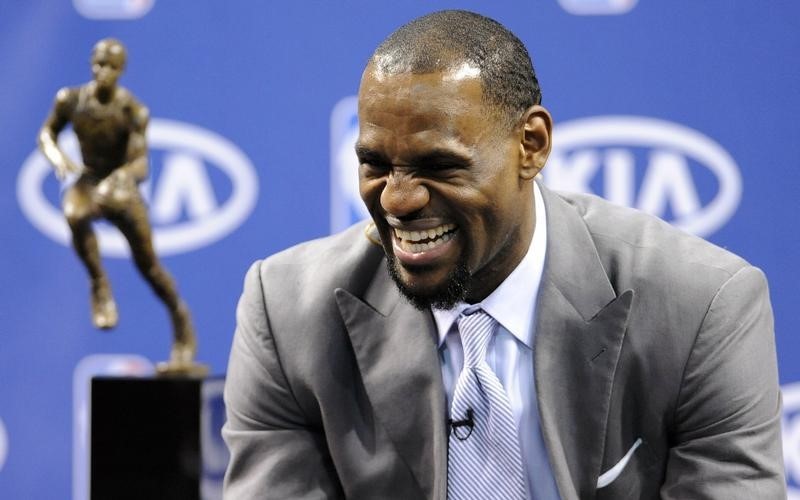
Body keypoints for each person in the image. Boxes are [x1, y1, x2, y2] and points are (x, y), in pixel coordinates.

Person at [223, 10, 785, 499]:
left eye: (439, 166)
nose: (397, 199)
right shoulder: (287, 311)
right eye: (376, 164)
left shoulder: (701, 305)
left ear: (531, 145)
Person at [38, 38, 201, 374]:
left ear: (122, 70)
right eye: (98, 64)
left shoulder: (133, 111)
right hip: (89, 179)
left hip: (121, 188)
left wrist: (124, 177)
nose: (103, 72)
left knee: (150, 266)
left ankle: (179, 319)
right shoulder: (69, 100)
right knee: (74, 213)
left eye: (111, 66)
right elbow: (47, 133)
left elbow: (142, 164)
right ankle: (99, 283)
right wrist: (57, 159)